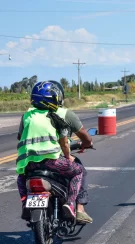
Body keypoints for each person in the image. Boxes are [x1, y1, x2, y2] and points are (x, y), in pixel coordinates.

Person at [16, 80, 93, 224]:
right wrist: (69, 155)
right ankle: (72, 205)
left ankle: (25, 202)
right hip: (51, 161)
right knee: (78, 171)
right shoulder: (58, 115)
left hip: (28, 164)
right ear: (55, 98)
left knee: (21, 179)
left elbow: (20, 137)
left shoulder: (26, 116)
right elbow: (64, 142)